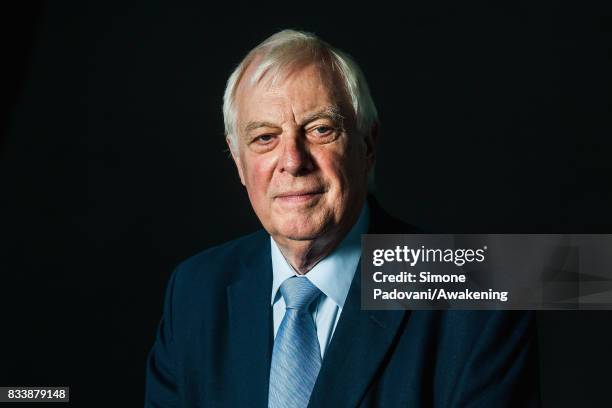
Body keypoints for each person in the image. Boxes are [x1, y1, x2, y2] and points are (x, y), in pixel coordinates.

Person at [145, 29, 540, 407]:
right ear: (238, 162)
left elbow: (585, 274)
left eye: (320, 129)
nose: (292, 161)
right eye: (265, 137)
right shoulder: (196, 291)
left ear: (367, 145)